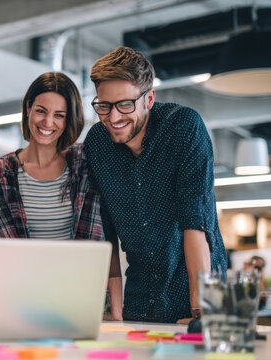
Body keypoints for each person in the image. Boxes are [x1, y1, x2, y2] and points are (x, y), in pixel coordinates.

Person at [83, 46, 228, 324]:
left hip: (200, 294)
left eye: (125, 105)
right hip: (140, 298)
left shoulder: (183, 127)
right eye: (104, 106)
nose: (113, 118)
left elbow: (195, 223)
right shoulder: (97, 144)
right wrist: (114, 310)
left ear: (149, 98)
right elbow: (107, 235)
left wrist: (201, 313)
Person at [0, 72, 122, 320]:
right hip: (25, 306)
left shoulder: (85, 163)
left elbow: (92, 244)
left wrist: (114, 308)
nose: (48, 122)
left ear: (69, 120)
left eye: (59, 115)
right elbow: (14, 251)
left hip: (84, 303)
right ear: (28, 108)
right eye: (41, 111)